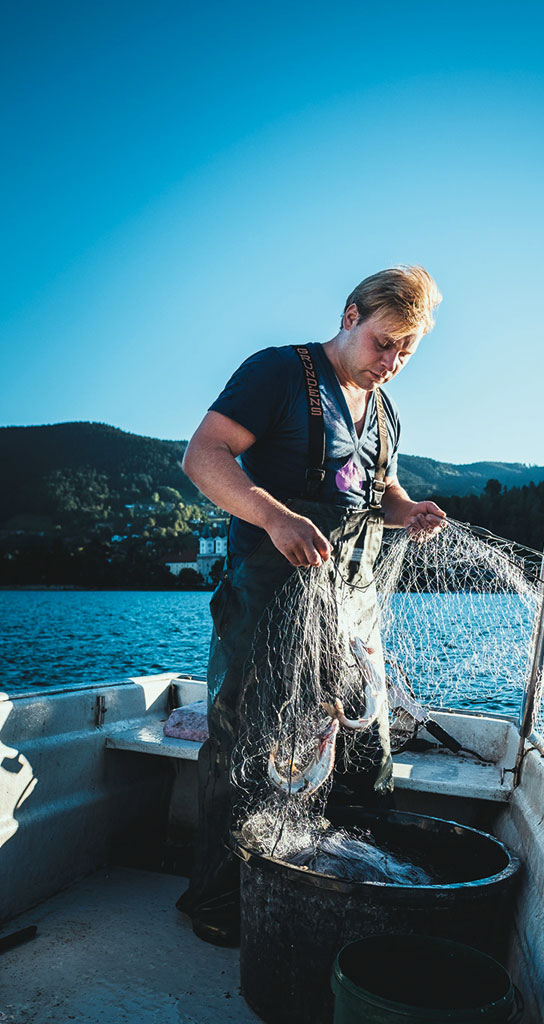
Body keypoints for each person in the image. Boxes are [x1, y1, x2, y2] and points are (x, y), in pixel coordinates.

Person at [178, 265, 446, 944]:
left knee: (361, 752)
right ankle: (222, 905)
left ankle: (340, 893)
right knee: (251, 748)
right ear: (350, 315)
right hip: (268, 602)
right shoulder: (276, 373)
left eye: (405, 354)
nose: (391, 363)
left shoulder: (384, 411)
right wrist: (272, 517)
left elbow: (375, 489)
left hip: (351, 612)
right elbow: (204, 456)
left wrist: (407, 510)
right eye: (384, 344)